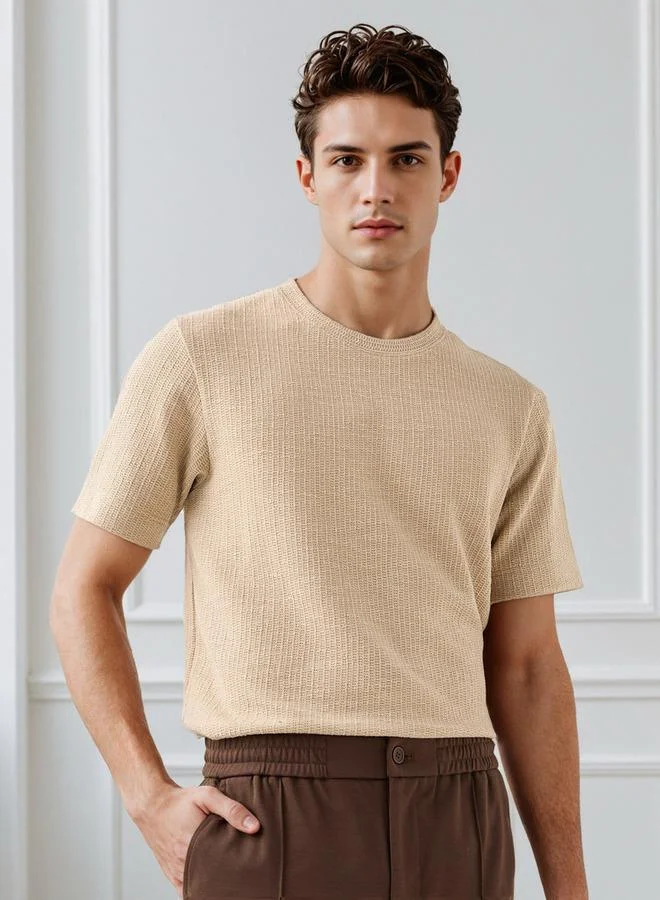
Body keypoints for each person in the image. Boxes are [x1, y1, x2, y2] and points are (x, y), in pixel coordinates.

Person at [50, 22, 589, 900]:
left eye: (407, 159)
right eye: (347, 160)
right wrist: (148, 798)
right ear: (308, 177)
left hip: (457, 815)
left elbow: (527, 667)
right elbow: (83, 587)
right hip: (269, 816)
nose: (376, 188)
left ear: (448, 175)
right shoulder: (203, 358)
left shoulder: (510, 408)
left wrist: (570, 888)